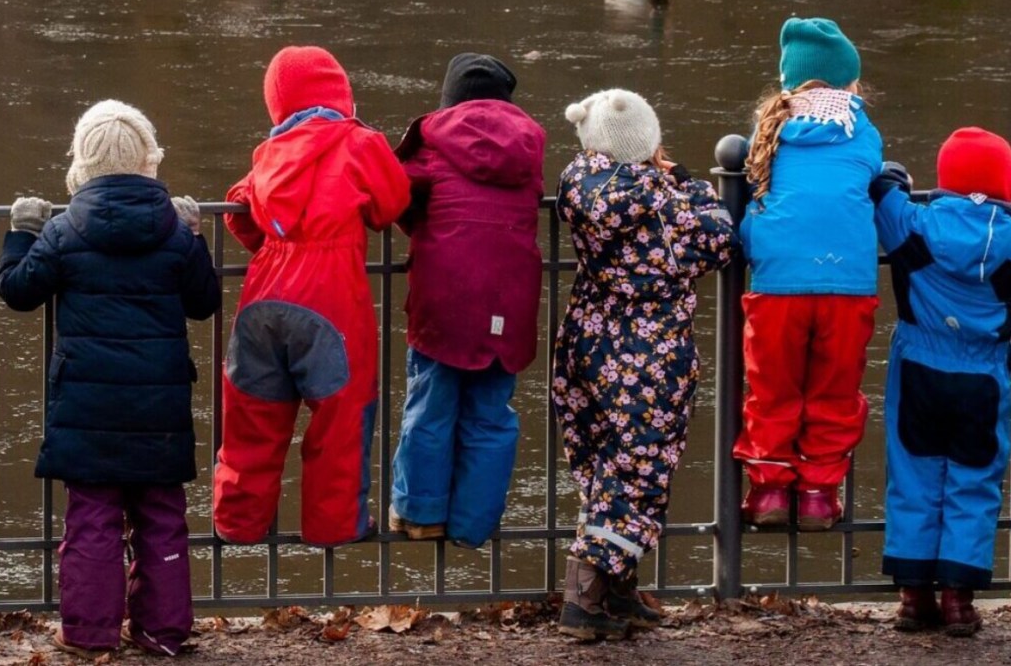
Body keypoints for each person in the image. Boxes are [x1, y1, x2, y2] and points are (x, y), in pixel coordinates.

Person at [0, 100, 221, 657]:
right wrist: (194, 236)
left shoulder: (64, 230)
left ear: (81, 163)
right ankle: (162, 632)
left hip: (86, 405)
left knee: (92, 519)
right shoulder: (173, 232)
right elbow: (203, 303)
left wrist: (22, 233)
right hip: (159, 407)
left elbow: (18, 292)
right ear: (149, 160)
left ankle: (89, 633)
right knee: (162, 517)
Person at [553, 89, 736, 641]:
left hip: (588, 340)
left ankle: (617, 589)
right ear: (648, 143)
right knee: (639, 469)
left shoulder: (575, 182)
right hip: (648, 353)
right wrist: (690, 182)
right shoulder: (665, 206)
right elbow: (720, 239)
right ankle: (585, 593)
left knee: (604, 465)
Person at [213, 45, 411, 548]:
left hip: (263, 294)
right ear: (340, 93)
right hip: (330, 294)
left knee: (251, 416)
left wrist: (272, 245)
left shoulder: (269, 152)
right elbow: (392, 202)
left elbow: (237, 207)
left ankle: (237, 522)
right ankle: (334, 527)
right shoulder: (359, 143)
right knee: (340, 417)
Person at [872, 129, 1011, 637]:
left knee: (914, 476)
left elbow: (883, 192)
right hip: (982, 377)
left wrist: (897, 178)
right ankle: (958, 601)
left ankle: (913, 597)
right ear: (1007, 189)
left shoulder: (913, 227)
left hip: (919, 369)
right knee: (974, 482)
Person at [387, 53, 546, 548]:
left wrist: (423, 228)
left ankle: (421, 515)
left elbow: (396, 194)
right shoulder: (528, 147)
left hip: (445, 298)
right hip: (510, 302)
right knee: (492, 414)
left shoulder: (434, 142)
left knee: (431, 406)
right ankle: (474, 526)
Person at [733, 17, 883, 531]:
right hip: (848, 286)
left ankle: (770, 490)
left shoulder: (768, 130)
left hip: (777, 284)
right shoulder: (862, 131)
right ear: (849, 81)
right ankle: (819, 493)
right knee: (834, 393)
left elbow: (755, 195)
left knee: (772, 389)